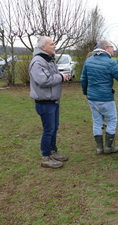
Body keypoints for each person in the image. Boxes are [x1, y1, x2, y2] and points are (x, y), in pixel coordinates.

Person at [80, 40, 118, 155]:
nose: (113, 49)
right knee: (112, 120)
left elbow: (83, 79)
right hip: (105, 98)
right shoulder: (110, 63)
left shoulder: (89, 61)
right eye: (112, 47)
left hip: (92, 98)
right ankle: (108, 147)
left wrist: (85, 93)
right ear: (106, 48)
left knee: (97, 122)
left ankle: (99, 148)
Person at [29, 36, 70, 169]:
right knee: (48, 130)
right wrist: (61, 77)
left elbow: (50, 77)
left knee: (54, 128)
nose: (55, 46)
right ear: (43, 47)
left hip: (53, 101)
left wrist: (61, 77)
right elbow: (44, 81)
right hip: (44, 103)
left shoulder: (48, 59)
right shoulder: (38, 62)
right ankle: (45, 157)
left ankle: (53, 151)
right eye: (52, 44)